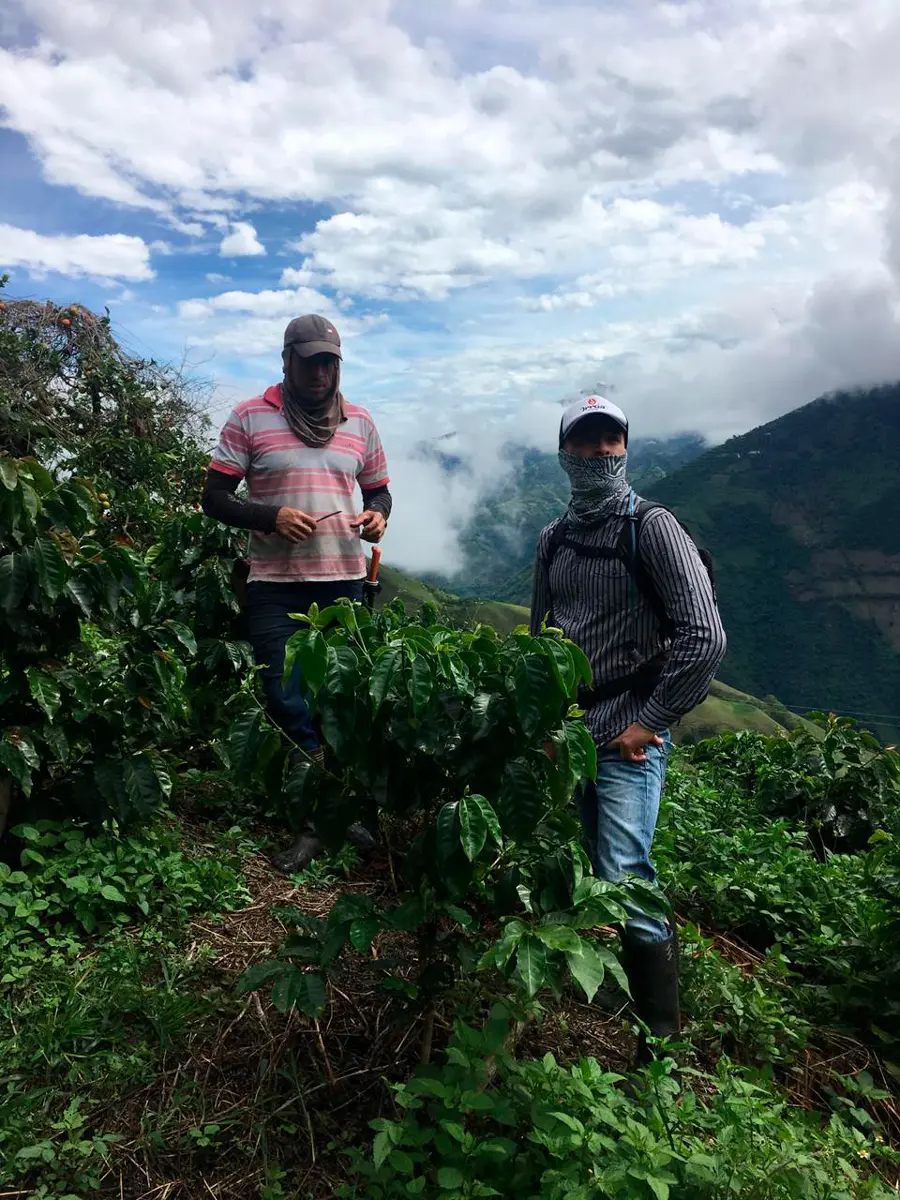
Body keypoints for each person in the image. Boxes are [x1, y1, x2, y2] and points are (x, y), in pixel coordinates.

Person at [530, 395, 726, 1063]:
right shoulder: (554, 539)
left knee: (624, 874)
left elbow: (704, 637)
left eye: (610, 441)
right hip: (572, 733)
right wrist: (545, 723)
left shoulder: (653, 528)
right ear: (564, 453)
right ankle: (621, 993)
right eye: (585, 443)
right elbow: (540, 641)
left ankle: (662, 1045)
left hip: (626, 736)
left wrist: (651, 723)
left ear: (625, 448)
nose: (599, 454)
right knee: (591, 862)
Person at [202, 314, 392, 872]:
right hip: (275, 590)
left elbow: (380, 491)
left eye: (329, 361)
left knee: (342, 700)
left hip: (344, 584)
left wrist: (377, 518)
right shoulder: (250, 417)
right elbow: (214, 496)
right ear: (286, 360)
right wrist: (271, 516)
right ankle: (313, 822)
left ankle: (340, 812)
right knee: (289, 702)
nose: (319, 372)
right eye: (309, 360)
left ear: (339, 365)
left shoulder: (360, 422)